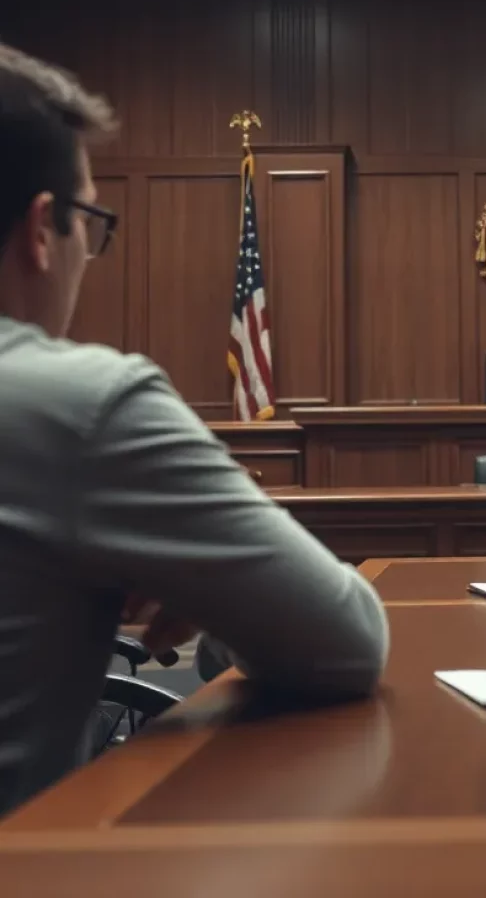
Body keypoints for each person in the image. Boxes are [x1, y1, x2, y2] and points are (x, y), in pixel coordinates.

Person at [0, 44, 389, 815]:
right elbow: (345, 641)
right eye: (92, 220)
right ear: (45, 229)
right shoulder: (83, 407)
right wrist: (210, 579)